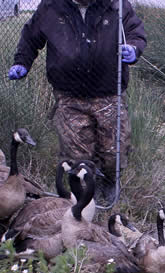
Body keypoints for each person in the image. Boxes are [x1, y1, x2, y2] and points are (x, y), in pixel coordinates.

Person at [9, 0, 146, 204]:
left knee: (113, 151)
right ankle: (86, 189)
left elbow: (135, 31)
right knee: (78, 154)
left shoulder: (116, 5)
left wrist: (134, 49)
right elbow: (30, 37)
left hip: (108, 93)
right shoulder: (51, 6)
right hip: (69, 96)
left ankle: (109, 181)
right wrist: (22, 61)